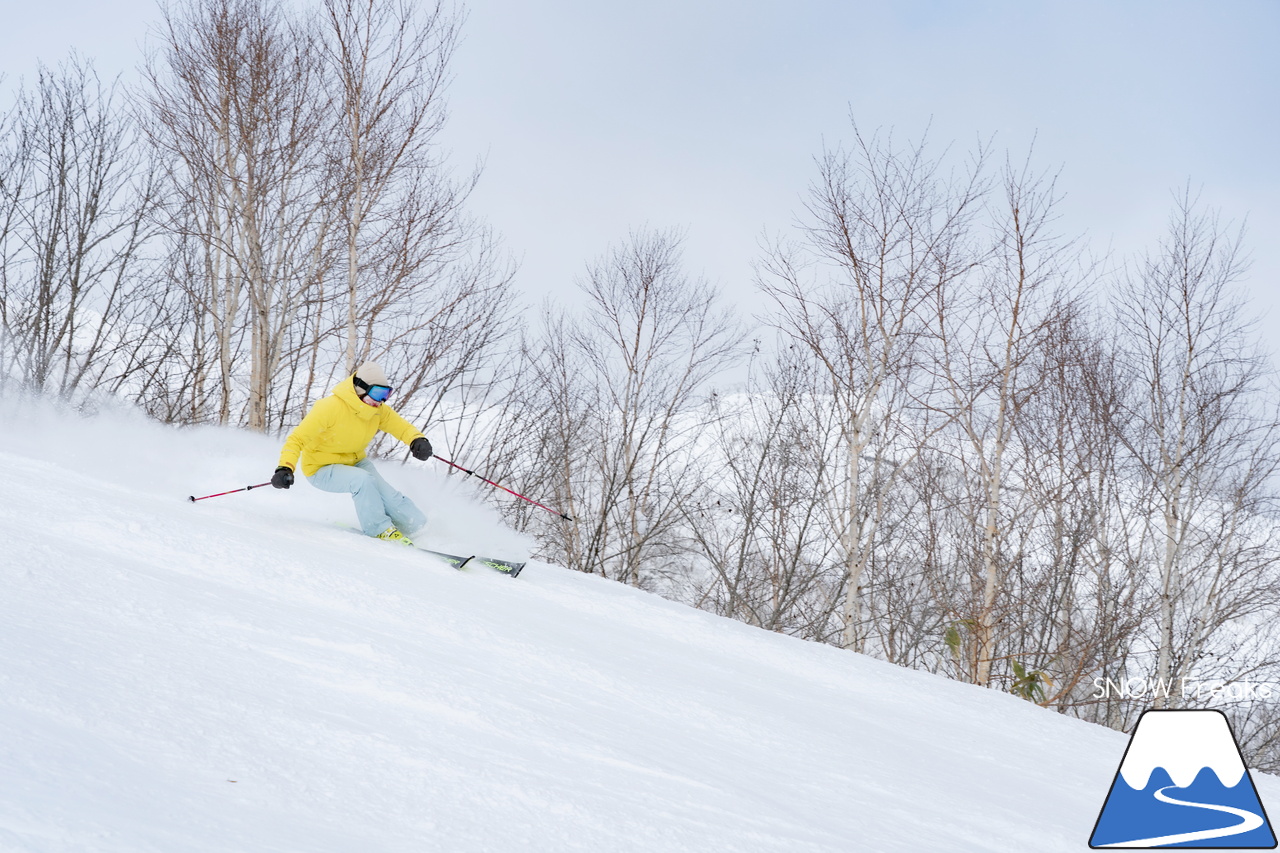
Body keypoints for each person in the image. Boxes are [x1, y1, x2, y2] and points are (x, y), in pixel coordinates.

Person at [271, 362, 434, 545]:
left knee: (390, 496)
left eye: (386, 394)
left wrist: (417, 440)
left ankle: (420, 528)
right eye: (377, 393)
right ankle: (378, 529)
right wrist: (285, 467)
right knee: (362, 480)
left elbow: (401, 427)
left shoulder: (377, 410)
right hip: (321, 468)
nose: (381, 400)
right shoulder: (329, 407)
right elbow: (296, 439)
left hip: (355, 462)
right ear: (360, 388)